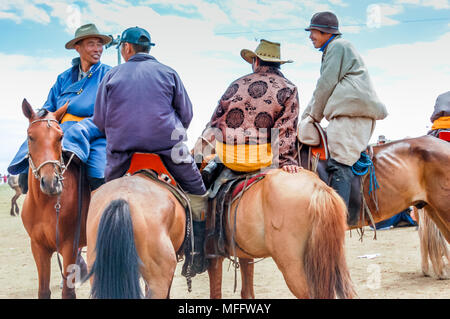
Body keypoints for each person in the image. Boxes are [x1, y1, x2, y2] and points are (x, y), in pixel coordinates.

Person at [93, 26, 208, 275]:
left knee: (105, 193)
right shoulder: (169, 73)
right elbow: (186, 114)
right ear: (147, 48)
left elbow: (100, 120)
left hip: (122, 152)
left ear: (127, 48)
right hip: (168, 148)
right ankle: (198, 253)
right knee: (198, 191)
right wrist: (170, 132)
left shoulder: (111, 75)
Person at [8, 23, 113, 191]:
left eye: (100, 44)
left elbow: (111, 112)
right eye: (91, 44)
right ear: (77, 48)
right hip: (59, 130)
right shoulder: (64, 78)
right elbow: (49, 107)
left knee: (98, 172)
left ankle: (99, 208)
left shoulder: (109, 74)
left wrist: (82, 127)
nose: (97, 49)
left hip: (95, 130)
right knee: (35, 142)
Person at [301, 12, 387, 211]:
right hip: (350, 110)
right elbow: (321, 89)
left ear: (325, 32)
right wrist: (308, 116)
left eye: (313, 31)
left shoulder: (337, 46)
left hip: (351, 113)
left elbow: (325, 85)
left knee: (340, 161)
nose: (310, 36)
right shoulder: (336, 47)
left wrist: (313, 117)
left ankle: (338, 218)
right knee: (340, 158)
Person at [208, 39, 301, 174]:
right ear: (278, 65)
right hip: (259, 159)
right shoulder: (289, 88)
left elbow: (215, 119)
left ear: (255, 61)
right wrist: (285, 161)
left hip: (226, 156)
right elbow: (286, 129)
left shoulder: (236, 83)